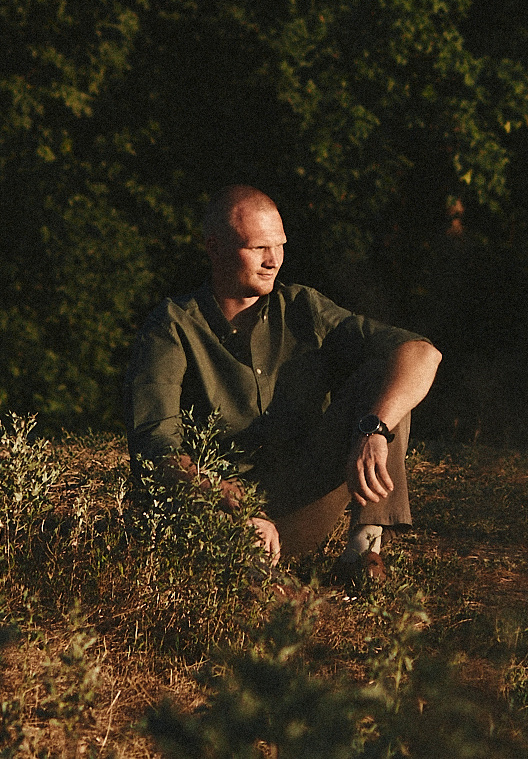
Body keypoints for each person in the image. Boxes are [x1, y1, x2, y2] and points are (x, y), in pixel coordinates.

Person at [125, 184, 442, 586]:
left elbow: (422, 354)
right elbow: (156, 450)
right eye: (257, 247)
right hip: (218, 512)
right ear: (214, 247)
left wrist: (373, 430)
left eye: (280, 245)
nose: (273, 260)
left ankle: (362, 557)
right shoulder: (171, 326)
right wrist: (236, 509)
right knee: (250, 593)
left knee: (385, 377)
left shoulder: (302, 307)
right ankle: (264, 589)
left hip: (299, 500)